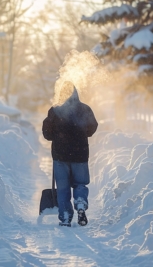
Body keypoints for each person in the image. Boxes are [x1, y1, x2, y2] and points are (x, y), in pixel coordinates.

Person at [42, 81, 98, 227]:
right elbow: (93, 127)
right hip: (80, 155)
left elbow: (47, 133)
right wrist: (81, 133)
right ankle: (80, 204)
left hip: (60, 156)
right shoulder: (85, 109)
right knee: (80, 183)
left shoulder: (55, 110)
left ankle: (65, 215)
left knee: (63, 187)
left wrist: (57, 134)